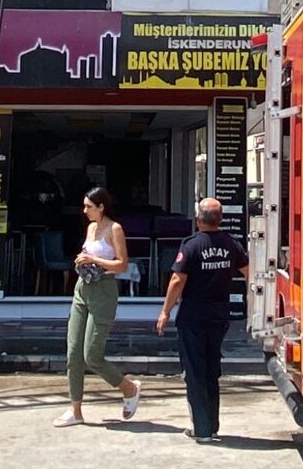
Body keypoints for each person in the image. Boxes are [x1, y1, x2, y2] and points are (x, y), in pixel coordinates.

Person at [156, 197, 244, 442]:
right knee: (211, 370)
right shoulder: (231, 244)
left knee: (195, 371)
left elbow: (177, 280)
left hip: (193, 315)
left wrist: (165, 311)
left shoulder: (191, 245)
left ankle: (202, 429)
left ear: (198, 221)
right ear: (221, 219)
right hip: (219, 314)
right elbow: (250, 273)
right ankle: (212, 425)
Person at [55, 187, 141, 427]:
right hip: (83, 287)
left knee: (91, 355)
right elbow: (89, 252)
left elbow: (122, 265)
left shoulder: (114, 229)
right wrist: (83, 259)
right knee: (73, 351)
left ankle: (129, 388)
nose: (85, 211)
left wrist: (93, 260)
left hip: (104, 290)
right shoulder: (91, 228)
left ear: (101, 207)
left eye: (89, 207)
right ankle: (75, 409)